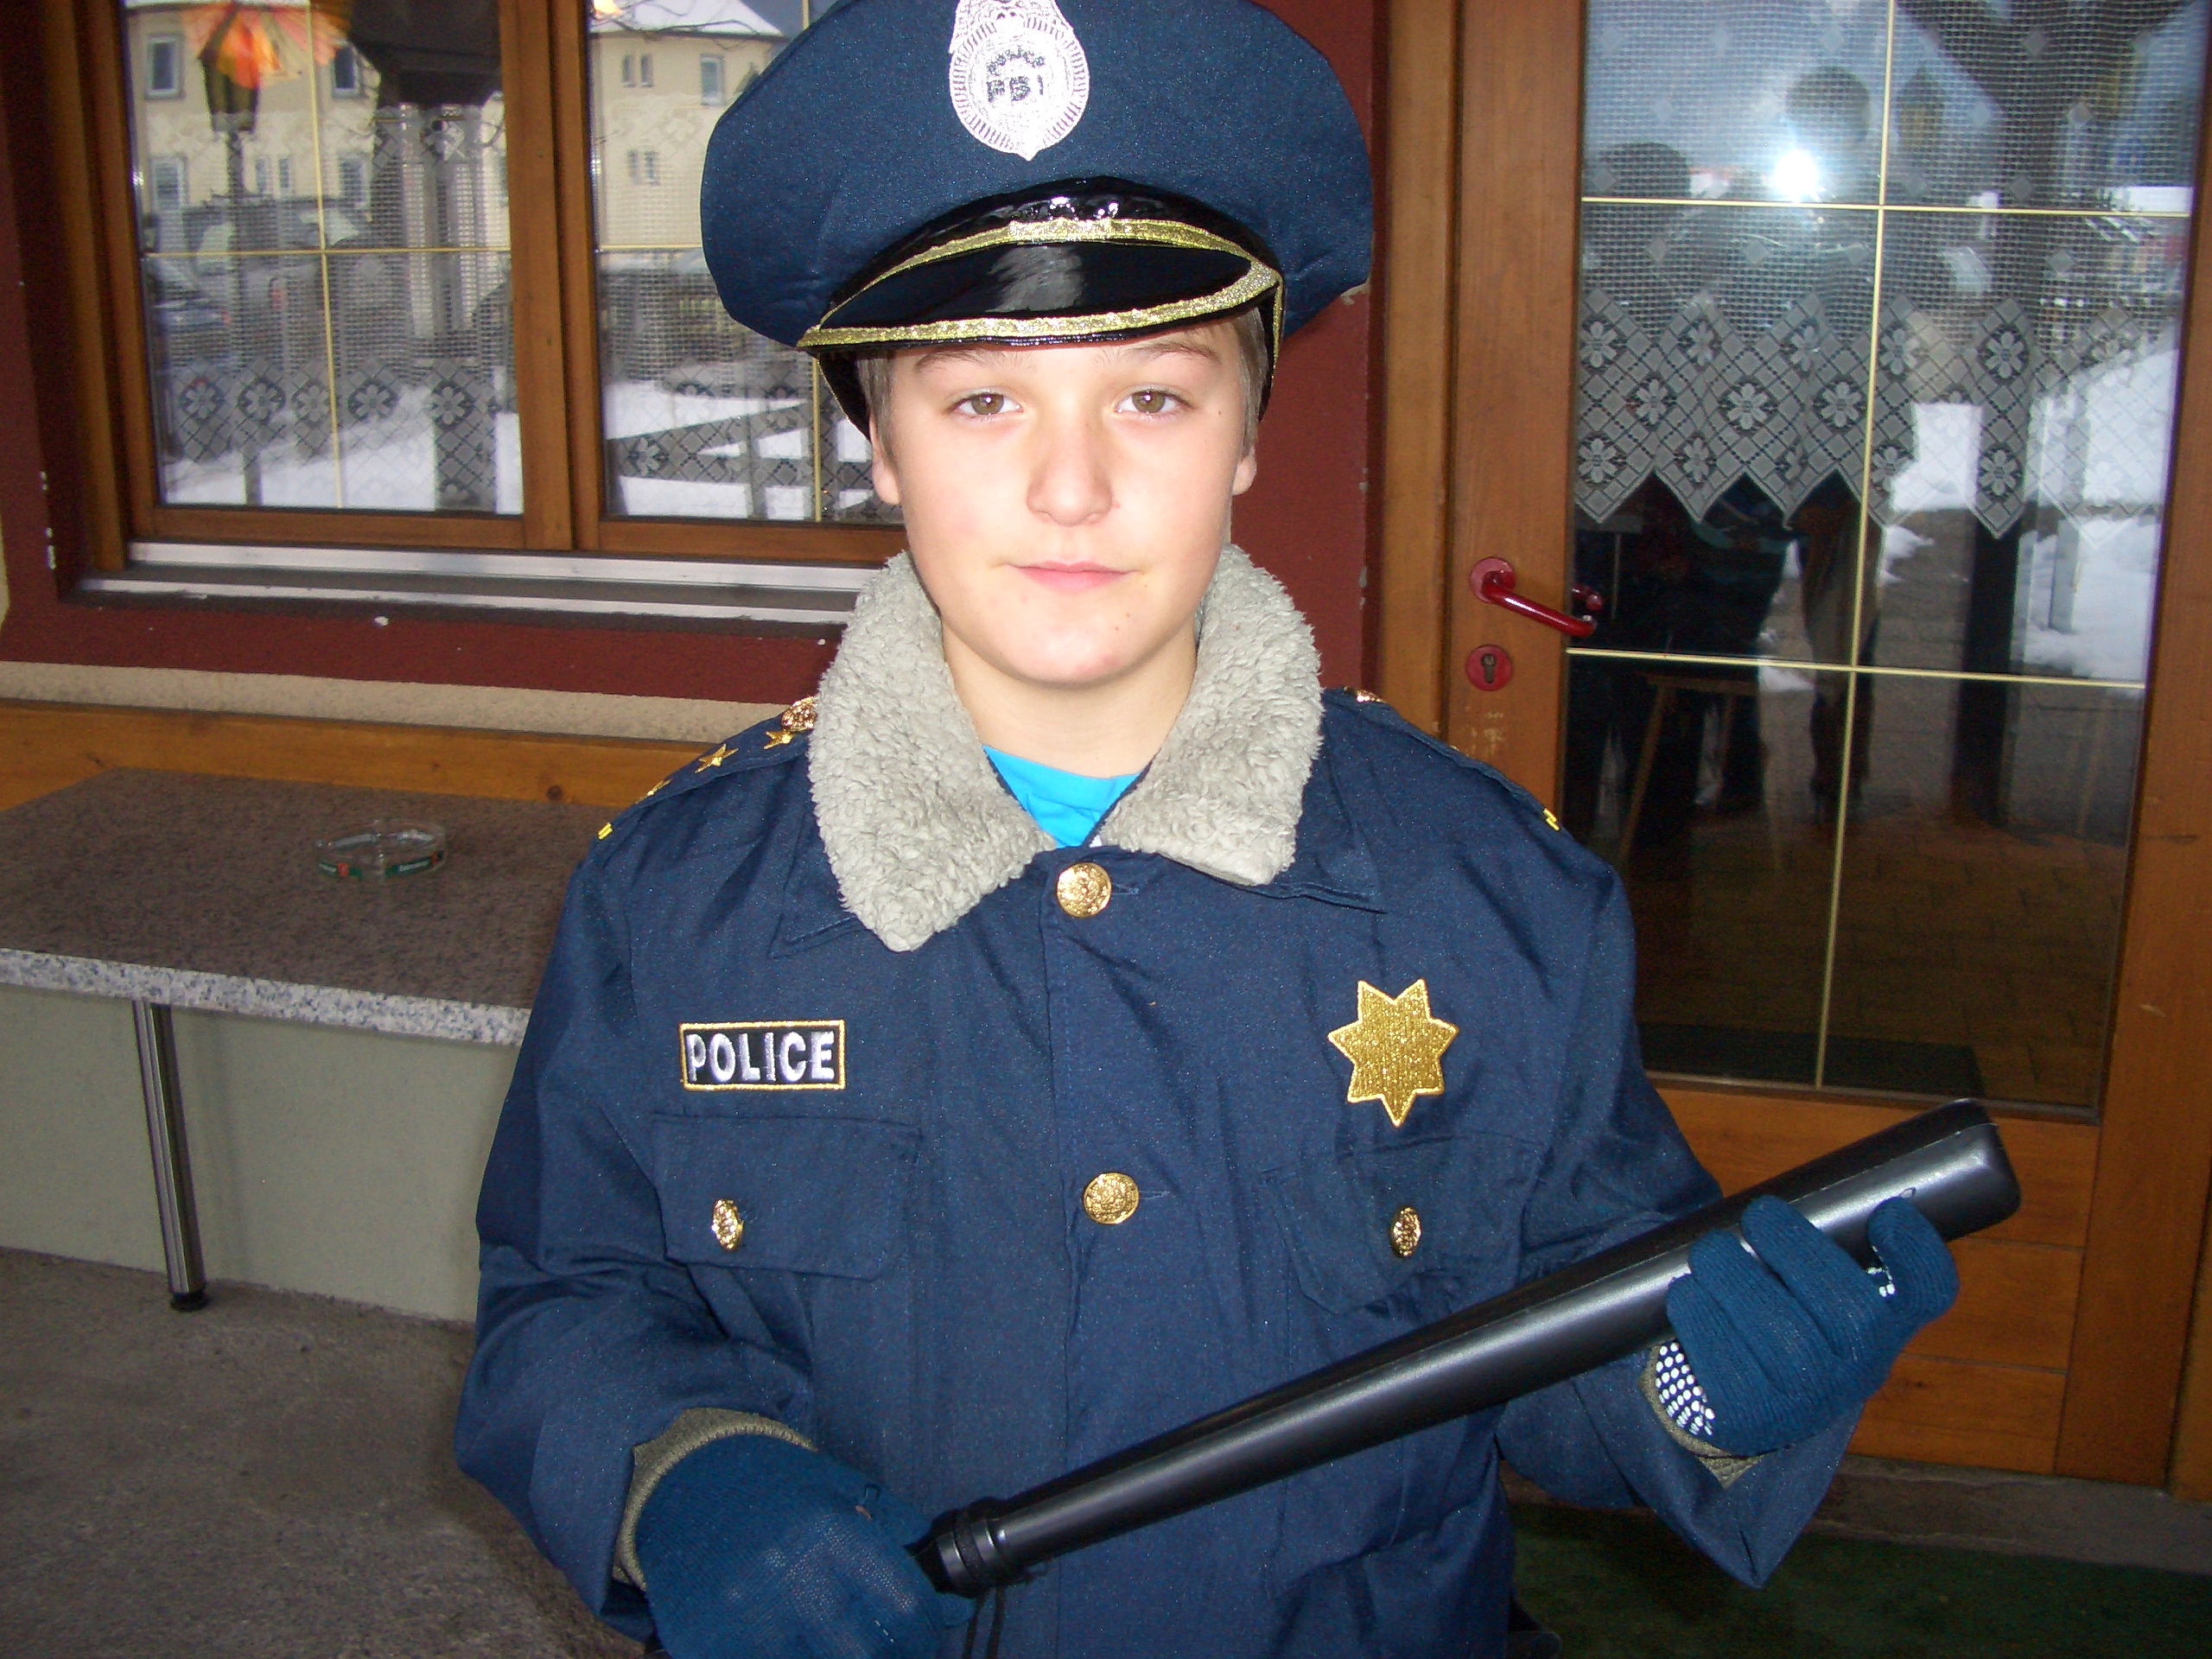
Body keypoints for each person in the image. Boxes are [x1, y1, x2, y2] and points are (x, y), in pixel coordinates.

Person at [454, 4, 1961, 1656]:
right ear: (876, 440)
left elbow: (1578, 1330)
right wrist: (677, 1474)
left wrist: (1705, 1383)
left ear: (1250, 428)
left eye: (1155, 398)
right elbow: (570, 1296)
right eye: (982, 402)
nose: (1073, 488)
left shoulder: (1484, 895)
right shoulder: (678, 909)